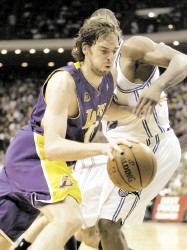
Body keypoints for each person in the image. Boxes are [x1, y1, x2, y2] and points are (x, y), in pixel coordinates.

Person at [0, 16, 138, 250]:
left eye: (114, 51)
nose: (110, 57)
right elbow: (53, 147)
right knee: (70, 218)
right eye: (103, 50)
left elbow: (102, 110)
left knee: (55, 226)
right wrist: (104, 148)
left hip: (58, 165)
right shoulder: (64, 82)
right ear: (86, 48)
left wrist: (135, 111)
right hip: (35, 156)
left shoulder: (108, 79)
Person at [72, 8, 187, 250]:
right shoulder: (91, 65)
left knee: (108, 224)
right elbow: (105, 109)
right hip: (118, 148)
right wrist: (129, 111)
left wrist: (158, 86)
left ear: (115, 30)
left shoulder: (132, 49)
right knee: (78, 223)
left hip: (149, 146)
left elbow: (182, 60)